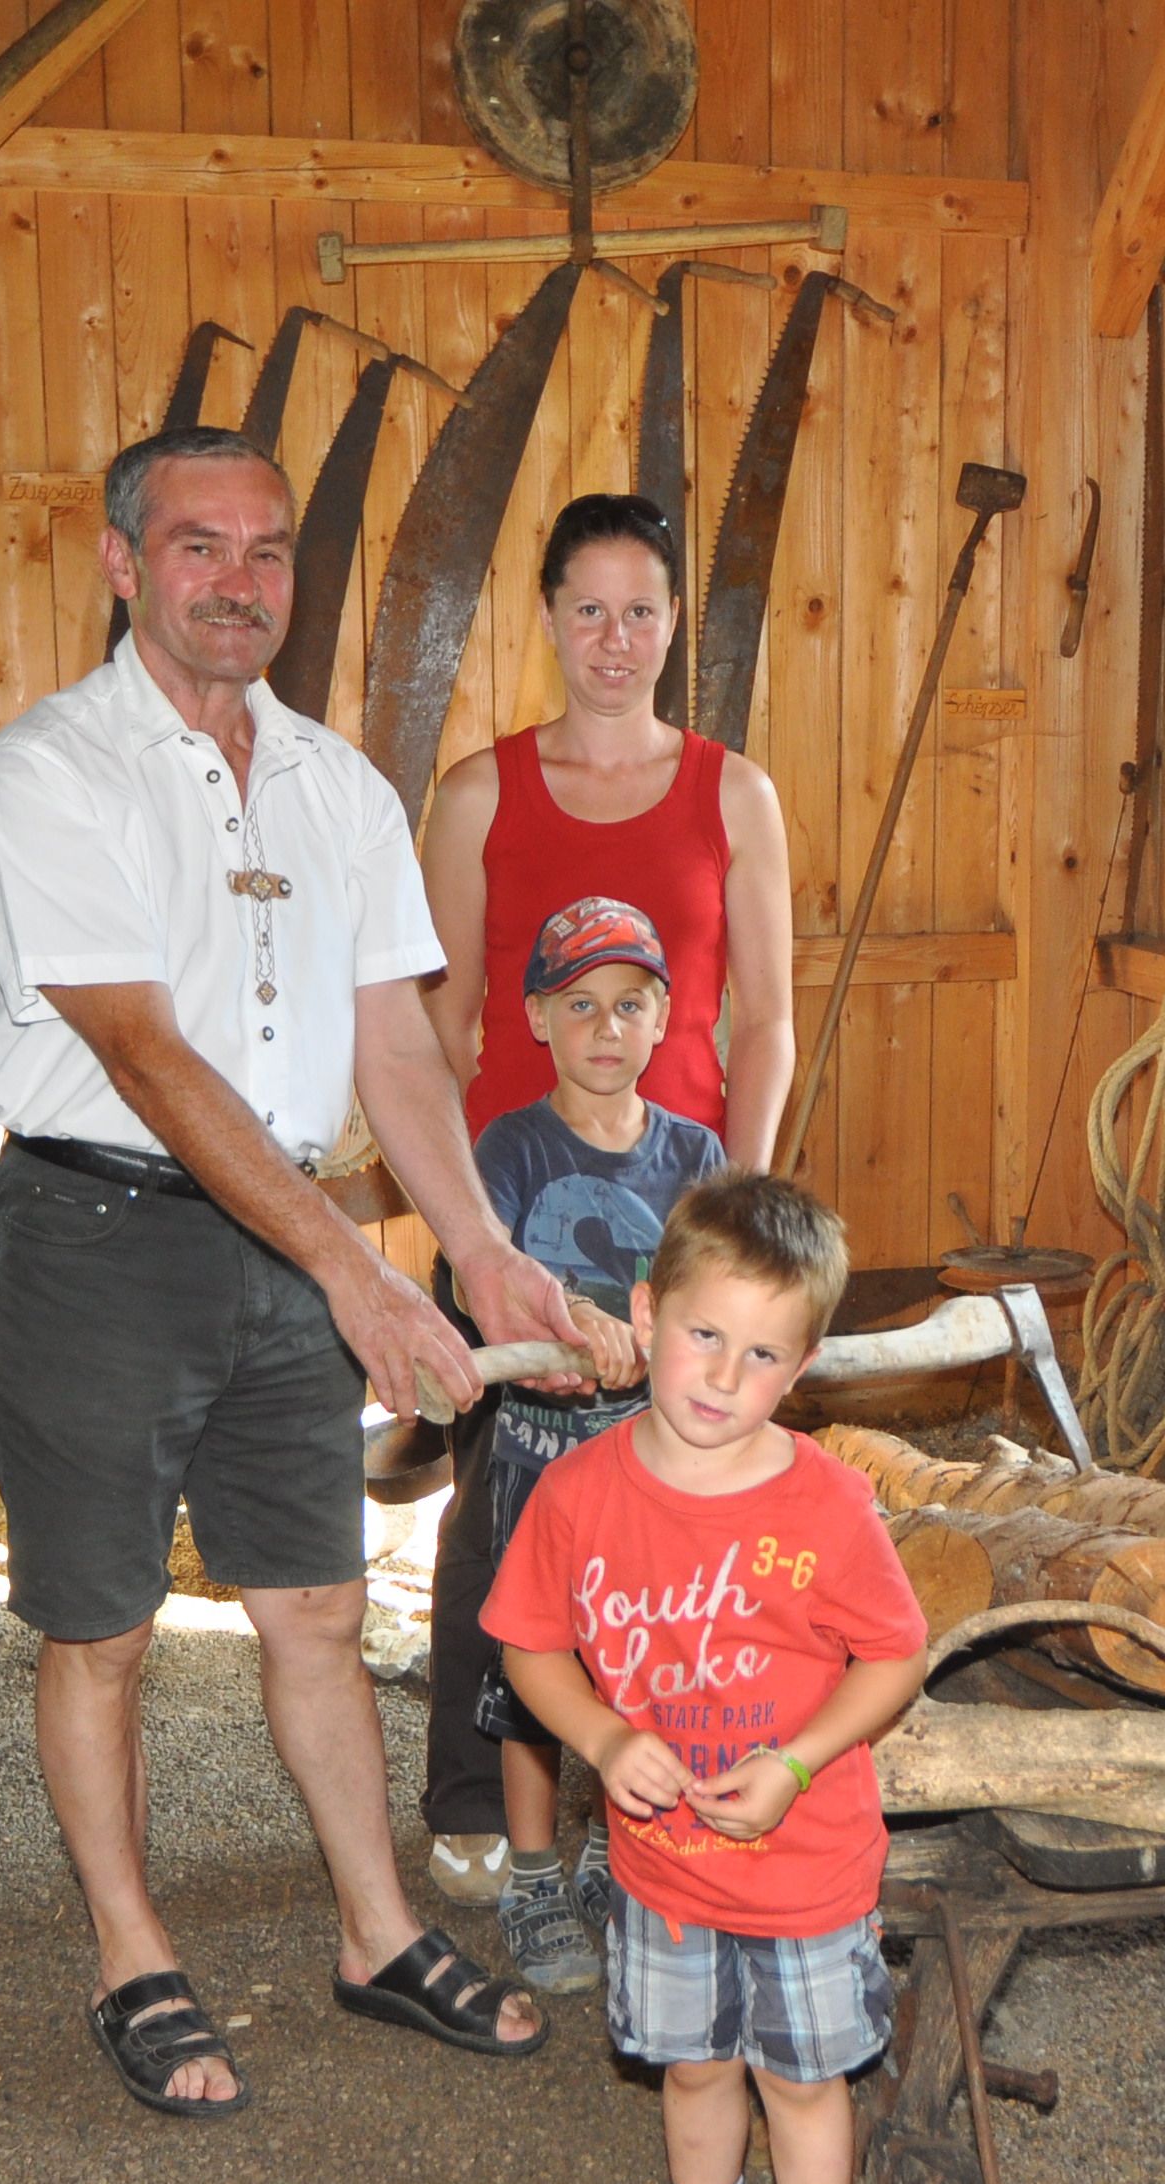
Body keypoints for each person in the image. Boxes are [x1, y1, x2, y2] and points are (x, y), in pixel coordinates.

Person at [0, 422, 589, 2121]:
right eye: (197, 546)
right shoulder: (50, 771)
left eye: (267, 551)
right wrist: (353, 1276)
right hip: (93, 1235)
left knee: (310, 1601)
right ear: (120, 562)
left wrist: (475, 1251)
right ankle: (131, 1949)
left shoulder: (339, 786)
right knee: (102, 1625)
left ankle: (375, 1931)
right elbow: (146, 1057)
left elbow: (390, 1041)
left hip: (281, 1237)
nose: (239, 583)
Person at [483, 1174, 929, 2184]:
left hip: (804, 1872)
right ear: (645, 1311)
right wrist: (603, 1734)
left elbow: (892, 1654)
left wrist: (794, 1762)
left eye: (763, 1353)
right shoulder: (582, 1494)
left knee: (801, 2079)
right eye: (703, 1335)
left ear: (803, 1369)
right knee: (690, 2064)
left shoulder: (827, 1506)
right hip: (664, 1869)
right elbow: (529, 1646)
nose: (724, 1375)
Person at [412, 495, 800, 1921]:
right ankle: (477, 1796)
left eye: (643, 611)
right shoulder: (479, 795)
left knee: (683, 1507)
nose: (617, 640)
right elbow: (441, 1023)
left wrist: (736, 1214)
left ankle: (674, 1796)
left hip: (676, 1207)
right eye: (590, 610)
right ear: (550, 617)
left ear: (674, 623)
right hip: (515, 1205)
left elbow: (765, 1023)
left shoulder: (731, 794)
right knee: (506, 1506)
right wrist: (473, 1234)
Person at [462, 900, 732, 1995]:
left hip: (650, 1468)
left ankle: (611, 1855)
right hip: (536, 1458)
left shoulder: (694, 1153)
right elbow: (487, 1287)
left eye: (629, 1005)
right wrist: (576, 1329)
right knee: (535, 1674)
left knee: (643, 1664)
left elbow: (715, 1287)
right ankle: (531, 1874)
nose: (606, 1028)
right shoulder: (512, 1147)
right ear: (537, 1017)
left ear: (663, 1016)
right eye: (580, 1005)